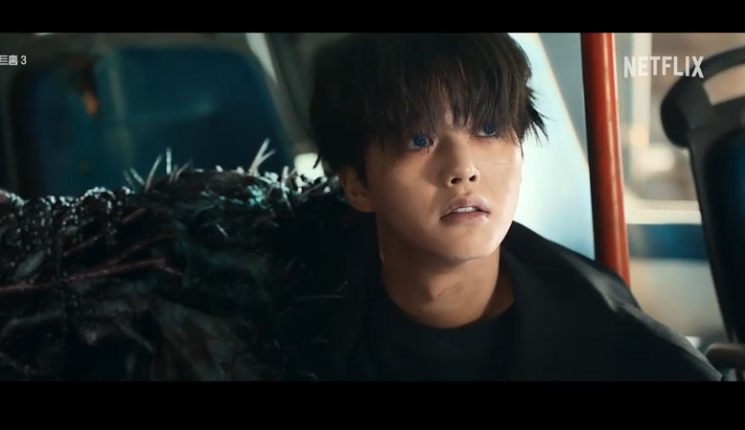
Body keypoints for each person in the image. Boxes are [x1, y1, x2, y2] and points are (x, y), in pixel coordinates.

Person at [307, 33, 722, 381]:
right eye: (418, 140)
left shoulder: (619, 351)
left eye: (488, 130)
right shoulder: (296, 307)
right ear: (357, 184)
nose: (463, 169)